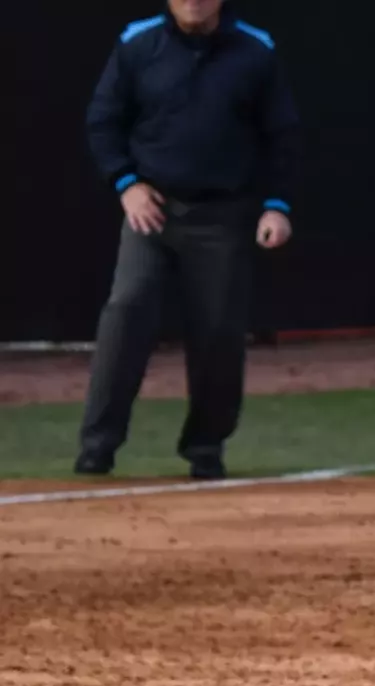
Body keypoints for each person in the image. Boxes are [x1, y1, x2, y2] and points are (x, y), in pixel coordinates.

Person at [78, 0, 298, 480]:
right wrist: (126, 184)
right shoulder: (138, 43)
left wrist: (276, 205)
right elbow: (103, 120)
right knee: (127, 311)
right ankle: (97, 446)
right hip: (151, 211)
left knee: (218, 332)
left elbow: (280, 137)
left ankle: (205, 447)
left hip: (223, 214)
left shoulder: (255, 51)